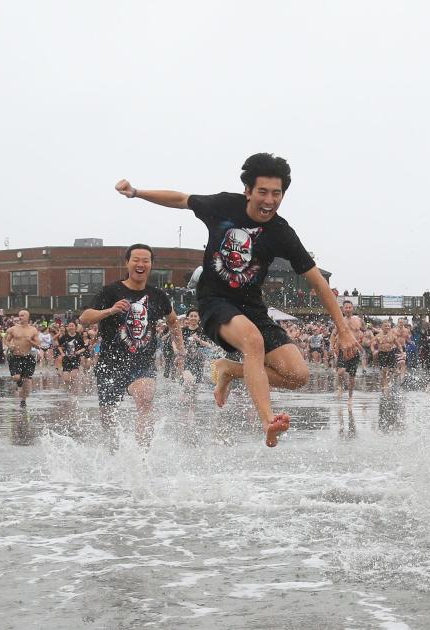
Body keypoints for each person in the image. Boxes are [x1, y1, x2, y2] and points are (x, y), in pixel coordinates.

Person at [115, 153, 358, 447]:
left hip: (252, 306)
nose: (269, 200)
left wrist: (343, 329)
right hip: (214, 301)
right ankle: (268, 421)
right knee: (252, 342)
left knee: (298, 375)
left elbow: (318, 282)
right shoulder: (224, 206)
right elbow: (180, 199)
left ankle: (229, 369)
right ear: (248, 191)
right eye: (263, 192)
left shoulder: (281, 232)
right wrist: (136, 192)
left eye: (276, 193)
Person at [79, 244, 184, 447]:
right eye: (136, 259)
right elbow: (85, 318)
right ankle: (113, 453)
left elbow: (173, 320)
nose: (140, 264)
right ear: (127, 263)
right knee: (108, 419)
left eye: (146, 260)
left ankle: (142, 457)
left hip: (142, 363)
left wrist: (180, 348)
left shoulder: (158, 295)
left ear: (151, 265)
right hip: (111, 363)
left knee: (145, 400)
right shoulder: (110, 291)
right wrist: (110, 311)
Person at [4, 310, 40, 406]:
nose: (20, 317)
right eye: (19, 315)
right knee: (16, 377)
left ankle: (23, 400)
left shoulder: (33, 330)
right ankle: (19, 382)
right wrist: (10, 346)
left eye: (22, 315)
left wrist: (30, 341)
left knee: (27, 382)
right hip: (15, 356)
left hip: (28, 357)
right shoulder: (13, 329)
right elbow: (6, 340)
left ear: (28, 317)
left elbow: (38, 346)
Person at [332, 300, 363, 401]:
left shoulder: (358, 320)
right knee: (341, 372)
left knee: (352, 377)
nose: (348, 309)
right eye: (346, 307)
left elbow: (365, 330)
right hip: (343, 351)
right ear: (342, 309)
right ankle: (340, 386)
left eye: (350, 307)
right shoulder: (340, 321)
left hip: (354, 351)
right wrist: (332, 347)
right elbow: (333, 334)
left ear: (352, 309)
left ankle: (350, 397)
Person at [372, 321, 402, 392]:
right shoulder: (378, 336)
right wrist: (374, 351)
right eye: (385, 326)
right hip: (382, 353)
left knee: (395, 371)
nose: (387, 327)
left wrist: (401, 351)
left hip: (391, 353)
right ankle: (385, 386)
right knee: (384, 371)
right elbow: (372, 344)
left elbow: (398, 345)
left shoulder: (393, 335)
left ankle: (392, 380)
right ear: (382, 327)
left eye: (388, 326)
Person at [57, 322, 86, 390]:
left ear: (75, 327)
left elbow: (84, 348)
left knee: (73, 378)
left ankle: (73, 392)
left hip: (75, 359)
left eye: (72, 326)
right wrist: (62, 353)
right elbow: (59, 346)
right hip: (66, 359)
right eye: (69, 326)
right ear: (67, 328)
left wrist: (79, 351)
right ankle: (67, 391)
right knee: (66, 379)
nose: (71, 327)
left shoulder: (79, 336)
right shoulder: (64, 336)